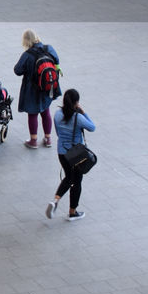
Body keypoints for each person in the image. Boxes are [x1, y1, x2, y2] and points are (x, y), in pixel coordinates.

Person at [45, 89, 94, 221]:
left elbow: (58, 133)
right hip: (76, 154)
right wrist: (83, 112)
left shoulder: (57, 114)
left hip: (62, 152)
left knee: (68, 177)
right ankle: (72, 212)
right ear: (76, 102)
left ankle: (56, 199)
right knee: (77, 181)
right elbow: (92, 127)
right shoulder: (78, 118)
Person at [14, 29, 60, 148]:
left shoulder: (27, 55)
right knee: (46, 112)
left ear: (26, 41)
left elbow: (17, 70)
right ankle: (48, 139)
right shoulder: (48, 48)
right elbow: (57, 60)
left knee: (33, 114)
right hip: (47, 86)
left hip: (32, 89)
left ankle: (33, 141)